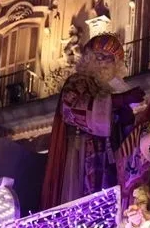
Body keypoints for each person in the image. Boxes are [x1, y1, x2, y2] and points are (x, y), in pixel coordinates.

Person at [41, 34, 144, 210]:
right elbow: (72, 108)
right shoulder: (78, 81)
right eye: (99, 56)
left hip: (109, 156)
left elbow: (124, 134)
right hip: (82, 152)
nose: (104, 61)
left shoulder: (111, 88)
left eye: (110, 58)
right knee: (82, 205)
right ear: (89, 58)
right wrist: (120, 100)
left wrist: (126, 117)